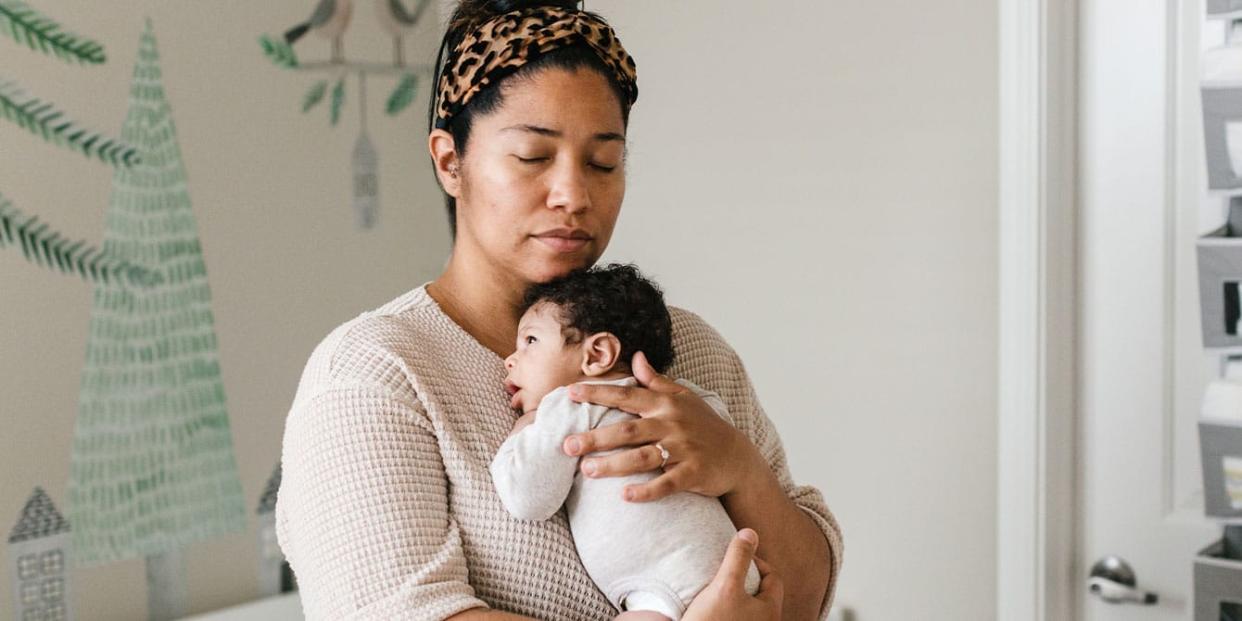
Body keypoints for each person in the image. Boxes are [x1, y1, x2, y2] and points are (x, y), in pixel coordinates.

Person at [274, 1, 843, 619]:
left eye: (604, 161)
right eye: (532, 158)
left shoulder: (688, 346)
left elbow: (806, 600)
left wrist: (740, 469)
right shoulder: (375, 376)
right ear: (449, 161)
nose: (574, 194)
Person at [490, 264, 761, 620]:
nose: (511, 360)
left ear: (597, 354)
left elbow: (528, 500)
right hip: (738, 574)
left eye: (530, 341)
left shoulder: (569, 403)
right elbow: (722, 437)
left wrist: (524, 429)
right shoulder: (684, 399)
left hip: (662, 591)